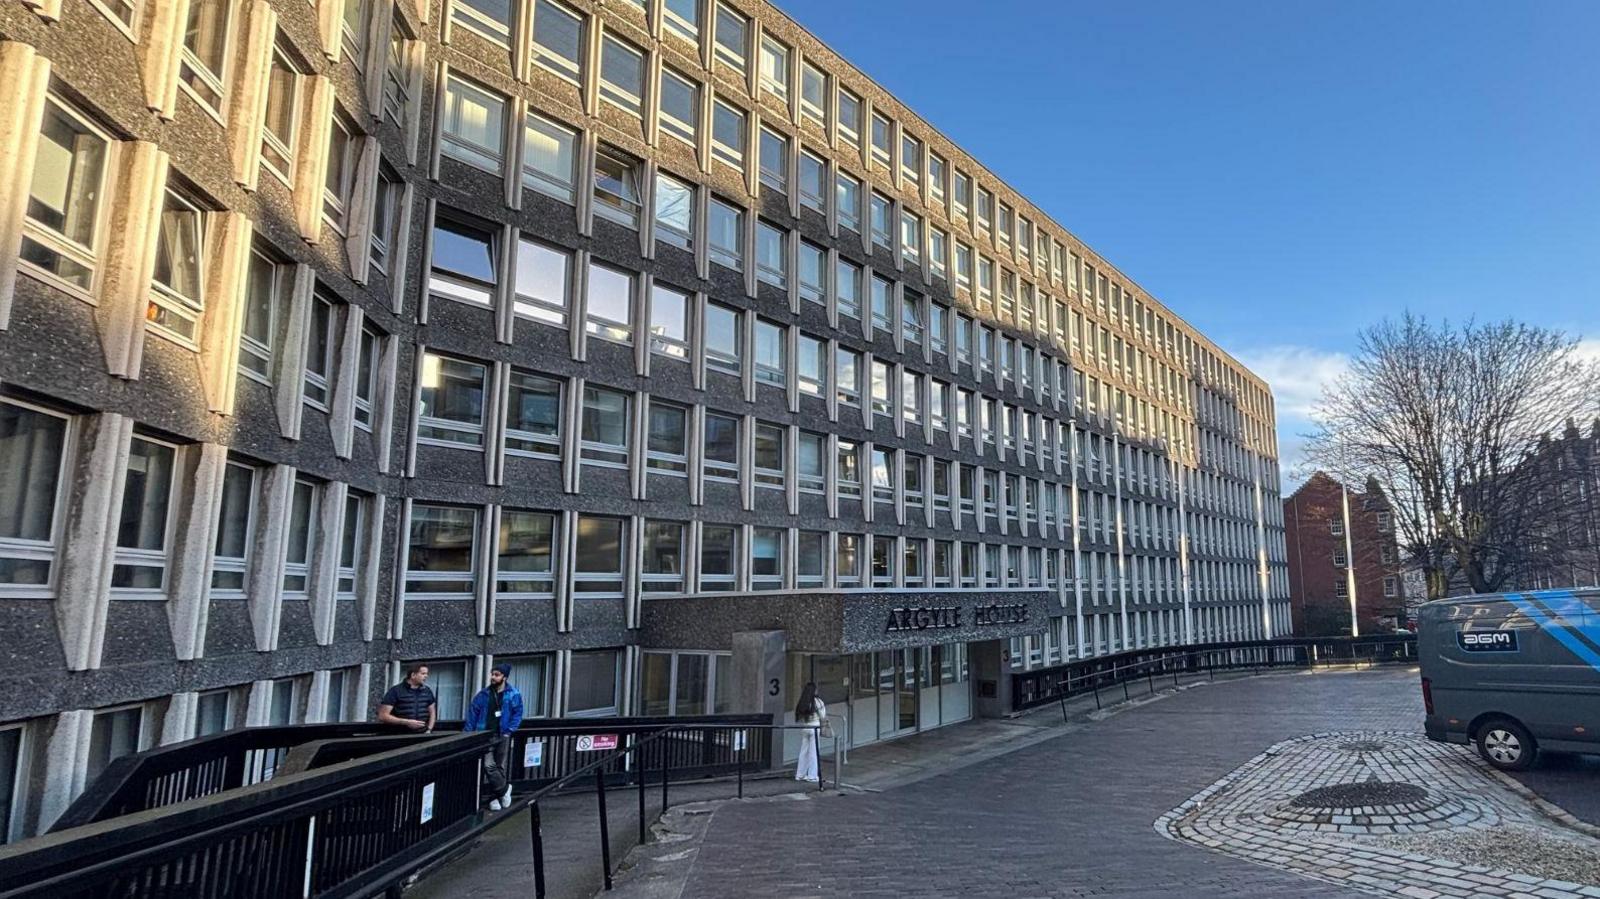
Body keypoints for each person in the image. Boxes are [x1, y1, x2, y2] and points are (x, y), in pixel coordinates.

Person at [465, 663, 525, 811]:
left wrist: (510, 729)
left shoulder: (513, 694)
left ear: (504, 677)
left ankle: (495, 797)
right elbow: (473, 714)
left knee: (500, 765)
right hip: (485, 734)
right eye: (492, 674)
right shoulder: (483, 694)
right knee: (488, 764)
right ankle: (504, 790)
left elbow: (518, 713)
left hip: (503, 733)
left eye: (497, 674)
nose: (493, 677)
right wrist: (468, 734)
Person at [378, 664, 436, 733]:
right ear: (413, 675)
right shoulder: (395, 691)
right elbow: (383, 716)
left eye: (426, 673)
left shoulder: (427, 691)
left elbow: (432, 712)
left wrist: (429, 729)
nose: (426, 676)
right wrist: (406, 722)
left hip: (423, 734)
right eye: (423, 673)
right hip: (400, 736)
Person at [793, 681, 827, 783]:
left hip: (805, 727)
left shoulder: (803, 701)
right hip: (814, 727)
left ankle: (800, 774)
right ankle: (812, 775)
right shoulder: (818, 702)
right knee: (813, 752)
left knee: (803, 751)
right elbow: (823, 716)